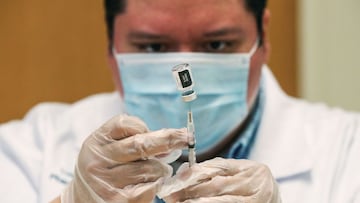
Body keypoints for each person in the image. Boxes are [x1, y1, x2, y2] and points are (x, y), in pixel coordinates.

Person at [1, 0, 359, 202]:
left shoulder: (348, 153)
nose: (184, 70)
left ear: (263, 37)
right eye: (153, 48)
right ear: (111, 47)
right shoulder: (26, 150)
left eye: (217, 45)